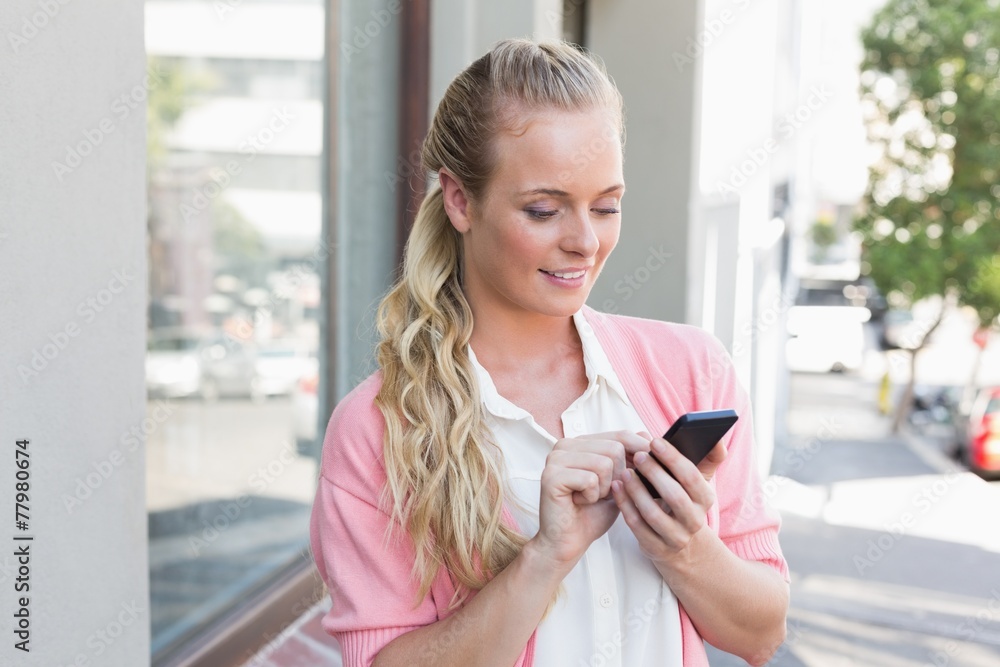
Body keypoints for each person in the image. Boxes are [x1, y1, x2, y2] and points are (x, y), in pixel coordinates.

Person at [309, 38, 789, 667]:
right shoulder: (378, 427)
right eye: (543, 210)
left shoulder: (692, 369)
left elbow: (761, 635)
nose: (585, 242)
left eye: (607, 206)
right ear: (459, 200)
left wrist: (684, 546)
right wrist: (544, 556)